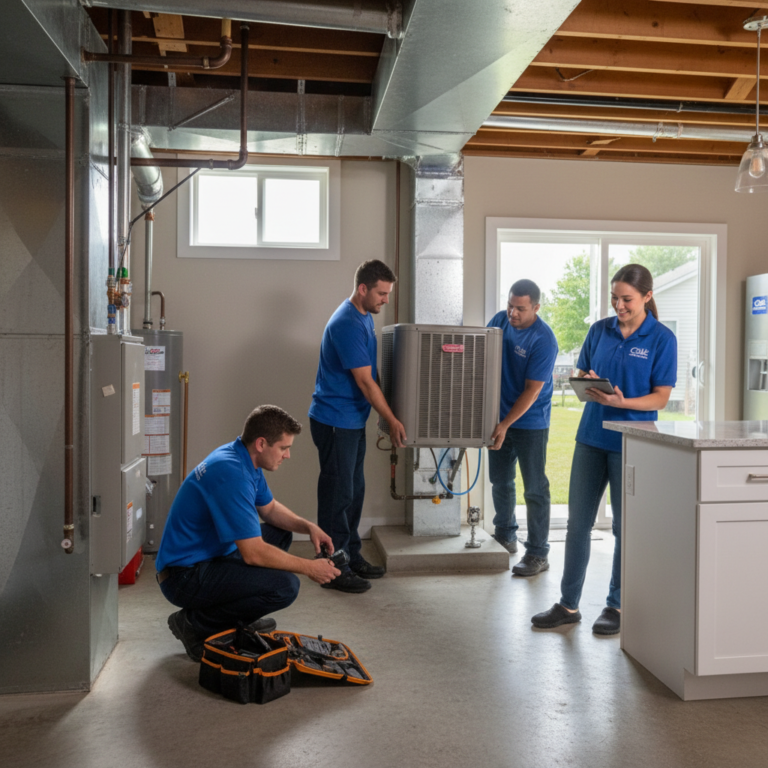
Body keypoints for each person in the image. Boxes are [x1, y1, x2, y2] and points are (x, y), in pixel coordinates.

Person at [532, 263, 677, 636]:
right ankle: (568, 605)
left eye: (627, 299)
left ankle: (616, 604)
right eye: (615, 298)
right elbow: (580, 375)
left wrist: (621, 402)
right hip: (591, 439)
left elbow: (660, 398)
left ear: (647, 296)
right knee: (578, 525)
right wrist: (588, 383)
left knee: (624, 529)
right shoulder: (599, 330)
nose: (619, 306)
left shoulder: (661, 339)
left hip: (632, 443)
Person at [156, 405, 339, 662]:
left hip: (209, 556)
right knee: (286, 587)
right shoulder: (232, 474)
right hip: (183, 577)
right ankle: (195, 624)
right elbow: (253, 554)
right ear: (262, 443)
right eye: (284, 448)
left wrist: (309, 526)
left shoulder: (242, 457)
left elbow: (270, 509)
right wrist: (310, 567)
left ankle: (234, 617)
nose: (287, 456)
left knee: (281, 533)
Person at [309, 259, 407, 594]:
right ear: (362, 288)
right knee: (338, 494)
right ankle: (333, 568)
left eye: (388, 293)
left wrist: (381, 415)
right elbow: (365, 382)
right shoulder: (348, 323)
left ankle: (349, 553)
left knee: (354, 490)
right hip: (335, 420)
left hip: (350, 420)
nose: (385, 300)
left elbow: (370, 378)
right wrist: (391, 419)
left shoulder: (364, 317)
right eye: (381, 293)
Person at [487, 279, 558, 576]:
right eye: (510, 305)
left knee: (535, 489)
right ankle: (505, 534)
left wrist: (505, 424)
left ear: (536, 307)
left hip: (530, 421)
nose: (513, 313)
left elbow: (531, 391)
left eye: (521, 308)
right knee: (500, 480)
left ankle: (539, 553)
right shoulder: (500, 321)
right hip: (498, 416)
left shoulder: (543, 340)